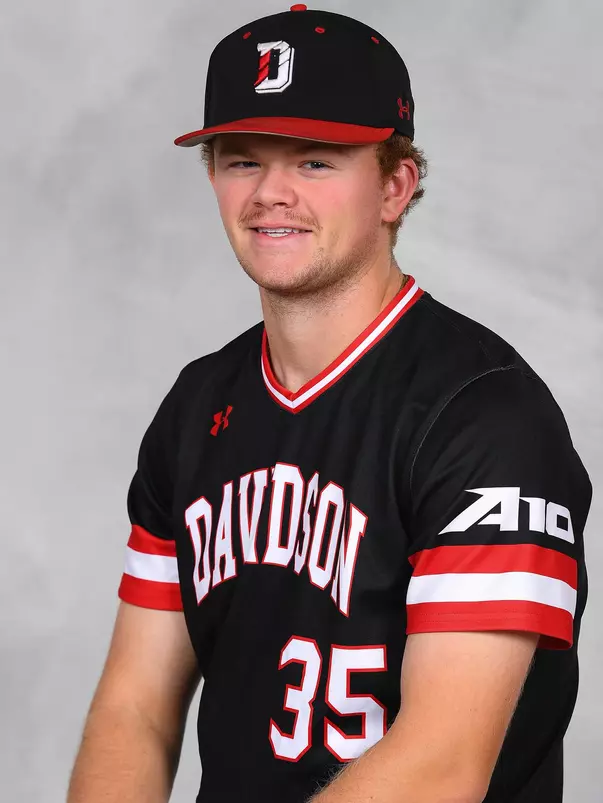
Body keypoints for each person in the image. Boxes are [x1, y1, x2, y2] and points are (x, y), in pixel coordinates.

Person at [67, 6, 592, 803]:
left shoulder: (484, 414)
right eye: (241, 160)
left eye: (314, 162)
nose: (270, 193)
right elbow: (133, 708)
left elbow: (441, 765)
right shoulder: (196, 406)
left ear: (393, 185)